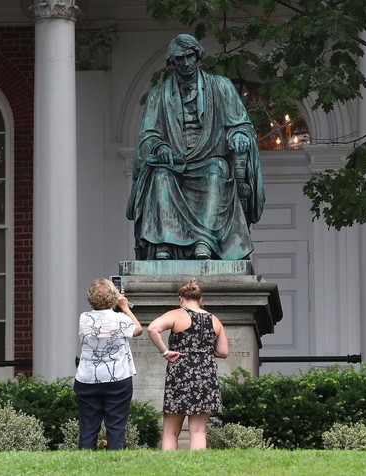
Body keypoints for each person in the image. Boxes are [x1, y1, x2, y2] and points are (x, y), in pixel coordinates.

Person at [126, 33, 265, 260]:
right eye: (180, 59)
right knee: (160, 176)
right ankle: (165, 243)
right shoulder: (158, 95)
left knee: (216, 173)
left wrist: (239, 135)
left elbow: (241, 124)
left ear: (198, 55)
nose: (186, 63)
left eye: (190, 56)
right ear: (172, 62)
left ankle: (205, 242)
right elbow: (147, 136)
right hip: (174, 164)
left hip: (210, 160)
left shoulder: (221, 87)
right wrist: (160, 147)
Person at [147, 278, 229, 450]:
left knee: (171, 431)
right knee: (198, 431)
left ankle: (170, 470)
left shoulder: (176, 314)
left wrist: (165, 352)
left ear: (180, 299)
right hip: (206, 372)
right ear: (200, 300)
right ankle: (197, 470)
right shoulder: (214, 320)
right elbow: (223, 352)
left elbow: (152, 328)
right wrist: (204, 351)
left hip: (181, 371)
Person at [74, 278, 143, 450]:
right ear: (113, 298)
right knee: (116, 426)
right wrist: (125, 306)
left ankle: (85, 463)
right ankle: (115, 462)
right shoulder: (120, 319)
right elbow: (138, 329)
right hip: (117, 379)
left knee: (88, 428)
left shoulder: (84, 318)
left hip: (87, 379)